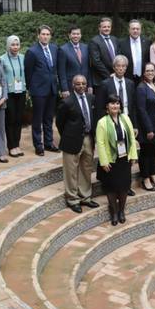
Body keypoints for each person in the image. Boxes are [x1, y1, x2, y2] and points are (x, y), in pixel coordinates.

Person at [55, 75, 99, 213]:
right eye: (78, 84)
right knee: (71, 171)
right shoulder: (67, 102)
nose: (81, 86)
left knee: (86, 168)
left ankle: (85, 196)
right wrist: (68, 135)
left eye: (83, 83)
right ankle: (72, 199)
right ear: (73, 85)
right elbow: (59, 123)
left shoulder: (91, 98)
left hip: (88, 138)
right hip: (71, 139)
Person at [96, 94, 138, 226]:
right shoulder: (102, 122)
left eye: (117, 103)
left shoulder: (125, 118)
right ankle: (114, 212)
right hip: (110, 161)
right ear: (107, 107)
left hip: (124, 159)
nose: (115, 106)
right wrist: (103, 161)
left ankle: (121, 211)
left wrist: (133, 155)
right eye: (112, 103)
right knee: (111, 188)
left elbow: (131, 137)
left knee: (124, 187)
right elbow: (101, 143)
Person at [24, 25, 59, 156]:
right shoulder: (32, 51)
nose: (45, 36)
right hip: (38, 91)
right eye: (43, 34)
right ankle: (38, 145)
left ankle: (49, 143)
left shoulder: (55, 49)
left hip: (52, 89)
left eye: (47, 34)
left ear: (50, 36)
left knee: (49, 118)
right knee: (37, 119)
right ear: (38, 35)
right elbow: (28, 72)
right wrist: (30, 89)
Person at [135, 62, 155, 191]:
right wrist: (149, 129)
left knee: (153, 152)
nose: (150, 73)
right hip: (149, 128)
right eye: (147, 71)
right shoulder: (141, 88)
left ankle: (153, 175)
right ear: (144, 72)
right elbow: (141, 110)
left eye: (152, 70)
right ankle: (146, 178)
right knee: (146, 153)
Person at [1, 34, 26, 157]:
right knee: (10, 119)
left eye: (17, 44)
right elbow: (0, 77)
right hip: (9, 93)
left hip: (21, 91)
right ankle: (11, 146)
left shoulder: (23, 57)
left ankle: (17, 145)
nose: (15, 47)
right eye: (13, 44)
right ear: (8, 45)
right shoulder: (2, 59)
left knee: (18, 119)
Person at [97, 55, 137, 129]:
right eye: (118, 66)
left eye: (123, 66)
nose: (121, 68)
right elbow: (100, 107)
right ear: (114, 67)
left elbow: (133, 106)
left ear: (126, 68)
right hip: (111, 121)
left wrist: (135, 126)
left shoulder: (130, 84)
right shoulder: (105, 84)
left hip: (128, 119)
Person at [88, 17, 118, 99]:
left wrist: (117, 73)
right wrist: (109, 75)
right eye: (104, 27)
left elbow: (118, 57)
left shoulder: (114, 39)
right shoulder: (94, 41)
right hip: (100, 79)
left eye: (108, 27)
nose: (106, 29)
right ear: (99, 28)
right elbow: (96, 62)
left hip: (115, 77)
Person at [57, 25, 91, 97]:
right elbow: (61, 72)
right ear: (69, 35)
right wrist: (64, 89)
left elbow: (89, 68)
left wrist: (90, 85)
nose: (76, 36)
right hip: (70, 87)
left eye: (78, 34)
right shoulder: (63, 49)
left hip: (84, 86)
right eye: (73, 34)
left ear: (81, 35)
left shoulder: (86, 47)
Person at [118, 18, 151, 85]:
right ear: (129, 30)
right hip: (127, 78)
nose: (135, 31)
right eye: (133, 29)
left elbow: (149, 59)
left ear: (140, 30)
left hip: (144, 78)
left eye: (137, 29)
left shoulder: (147, 42)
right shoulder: (122, 43)